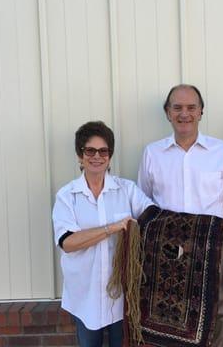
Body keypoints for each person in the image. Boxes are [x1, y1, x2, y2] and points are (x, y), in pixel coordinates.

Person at [138, 84, 223, 347]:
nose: (184, 114)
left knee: (217, 316)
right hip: (166, 253)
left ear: (201, 112)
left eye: (191, 107)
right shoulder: (152, 154)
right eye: (177, 108)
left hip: (214, 250)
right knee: (167, 320)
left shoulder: (222, 152)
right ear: (167, 113)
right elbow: (143, 207)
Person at [52, 121, 153, 347]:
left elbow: (152, 215)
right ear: (80, 155)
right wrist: (113, 227)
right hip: (84, 295)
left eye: (103, 151)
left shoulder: (126, 190)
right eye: (90, 150)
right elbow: (67, 242)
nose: (97, 156)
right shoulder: (67, 196)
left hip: (121, 297)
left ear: (110, 155)